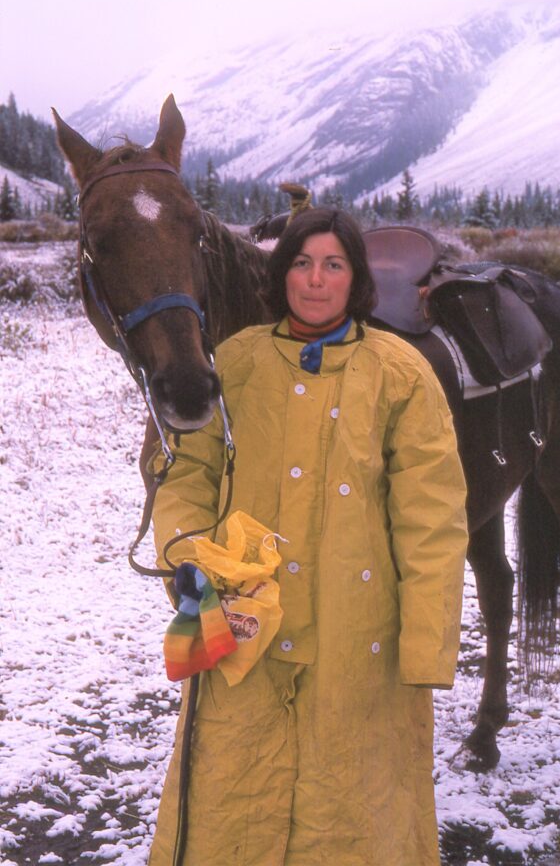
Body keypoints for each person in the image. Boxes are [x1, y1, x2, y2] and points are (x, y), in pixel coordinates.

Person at [149, 207, 468, 866]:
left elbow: (431, 520)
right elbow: (184, 472)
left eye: (332, 264)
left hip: (356, 640)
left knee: (349, 810)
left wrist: (424, 648)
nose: (314, 280)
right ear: (280, 270)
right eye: (300, 262)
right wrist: (184, 554)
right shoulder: (231, 364)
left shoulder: (400, 374)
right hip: (240, 632)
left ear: (355, 279)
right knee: (231, 793)